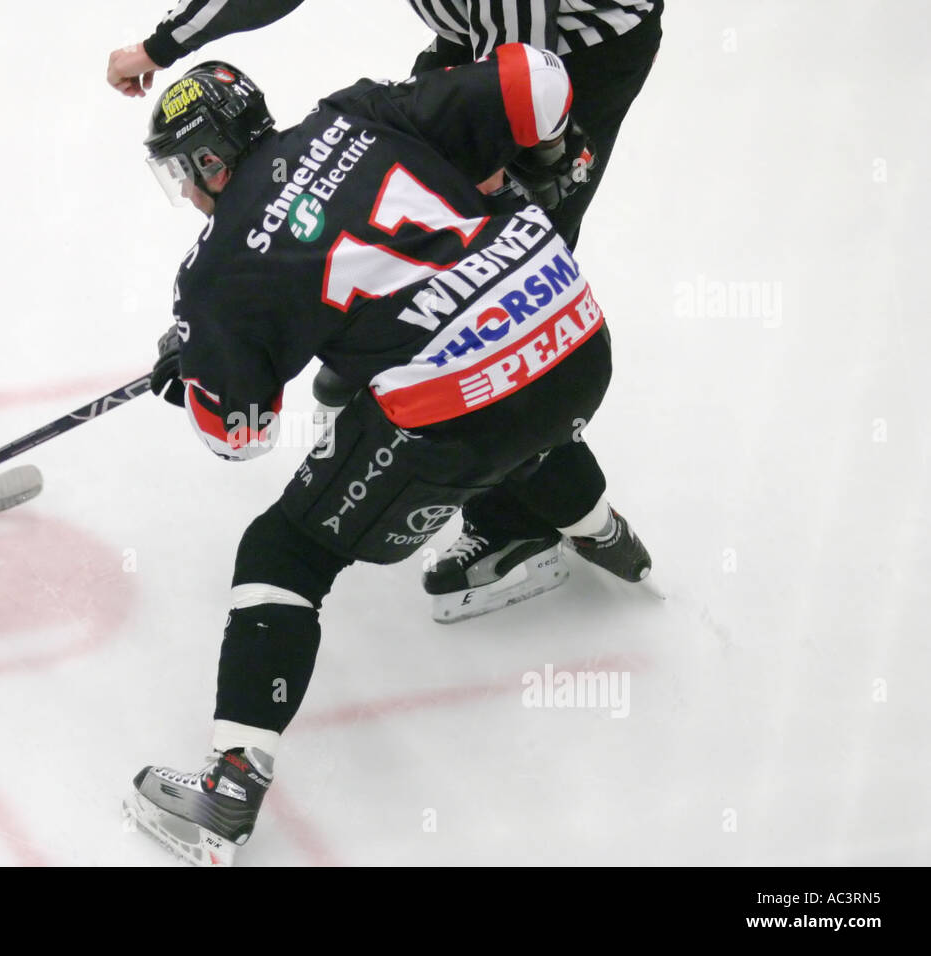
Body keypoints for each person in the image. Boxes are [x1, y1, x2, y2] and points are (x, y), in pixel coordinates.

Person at [122, 55, 652, 865]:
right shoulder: (354, 112)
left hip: (465, 402)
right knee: (479, 397)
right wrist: (543, 173)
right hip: (574, 330)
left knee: (282, 550)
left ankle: (227, 791)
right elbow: (539, 79)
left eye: (183, 176)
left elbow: (238, 435)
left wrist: (199, 364)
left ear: (210, 162)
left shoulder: (218, 268)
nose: (187, 196)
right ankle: (600, 532)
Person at [107, 0, 663, 622]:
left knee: (487, 337)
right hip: (500, 49)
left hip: (576, 52)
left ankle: (516, 527)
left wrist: (531, 161)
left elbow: (531, 68)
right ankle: (590, 515)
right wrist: (161, 46)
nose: (184, 192)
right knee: (430, 278)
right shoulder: (353, 114)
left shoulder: (223, 256)